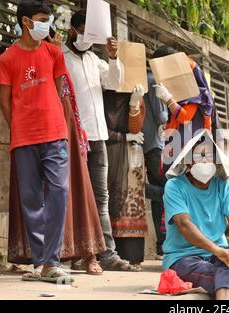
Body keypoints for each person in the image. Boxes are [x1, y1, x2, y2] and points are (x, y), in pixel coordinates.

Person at [9, 34, 107, 277]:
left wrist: (65, 130)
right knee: (36, 196)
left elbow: (64, 95)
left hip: (68, 131)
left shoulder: (59, 56)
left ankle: (85, 254)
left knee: (74, 192)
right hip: (42, 132)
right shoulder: (43, 56)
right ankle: (45, 261)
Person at [0, 0, 72, 282]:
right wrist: (20, 128)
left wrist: (61, 126)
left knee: (59, 193)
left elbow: (59, 91)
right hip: (24, 138)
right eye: (42, 19)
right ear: (26, 22)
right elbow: (5, 103)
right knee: (30, 200)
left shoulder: (54, 53)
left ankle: (50, 261)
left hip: (54, 135)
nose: (47, 25)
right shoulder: (7, 58)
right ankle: (42, 262)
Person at [63, 10, 137, 271]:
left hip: (98, 137)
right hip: (72, 138)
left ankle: (107, 254)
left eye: (91, 34)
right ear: (73, 30)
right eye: (83, 32)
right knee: (72, 196)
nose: (87, 38)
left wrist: (114, 56)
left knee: (100, 198)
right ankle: (75, 254)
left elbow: (115, 82)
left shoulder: (96, 60)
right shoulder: (59, 58)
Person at [162, 130, 229, 300]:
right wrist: (216, 250)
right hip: (182, 258)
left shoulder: (224, 187)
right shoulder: (174, 186)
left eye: (210, 156)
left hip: (218, 255)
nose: (205, 160)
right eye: (200, 156)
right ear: (188, 163)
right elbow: (184, 225)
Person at [104, 85, 148, 267]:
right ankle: (111, 254)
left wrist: (134, 103)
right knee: (111, 200)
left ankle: (132, 257)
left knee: (132, 201)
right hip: (110, 153)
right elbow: (95, 127)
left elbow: (136, 127)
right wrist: (124, 137)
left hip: (133, 155)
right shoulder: (104, 93)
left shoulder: (135, 92)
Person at [153, 46, 216, 172]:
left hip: (190, 152)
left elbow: (185, 117)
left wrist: (168, 99)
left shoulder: (195, 90)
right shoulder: (180, 86)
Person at [142, 71, 168, 259]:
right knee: (169, 191)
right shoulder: (153, 81)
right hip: (156, 144)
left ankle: (162, 245)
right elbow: (162, 117)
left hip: (146, 144)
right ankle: (140, 190)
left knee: (160, 198)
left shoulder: (141, 79)